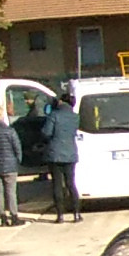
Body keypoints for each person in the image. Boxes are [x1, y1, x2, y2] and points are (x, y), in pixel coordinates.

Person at [39, 93, 81, 223]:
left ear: (61, 101)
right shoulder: (75, 117)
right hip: (70, 153)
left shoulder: (54, 115)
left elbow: (46, 132)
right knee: (71, 183)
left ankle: (60, 215)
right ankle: (76, 214)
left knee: (57, 184)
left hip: (55, 154)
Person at [0, 108, 22, 228]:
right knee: (11, 192)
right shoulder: (10, 131)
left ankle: (3, 217)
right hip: (10, 165)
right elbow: (17, 148)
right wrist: (17, 161)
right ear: (1, 116)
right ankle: (14, 216)